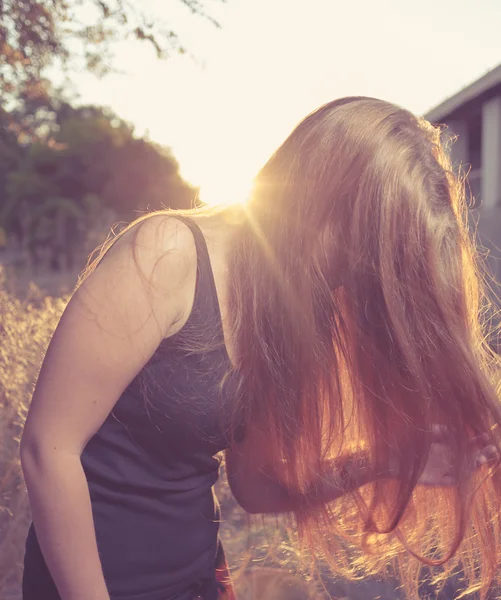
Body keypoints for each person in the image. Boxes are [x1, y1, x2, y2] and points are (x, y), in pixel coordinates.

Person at [21, 97, 501, 600]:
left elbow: (255, 491)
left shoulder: (294, 311)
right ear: (324, 199)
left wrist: (384, 460)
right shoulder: (168, 253)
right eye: (372, 259)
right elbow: (48, 450)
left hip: (198, 582)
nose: (361, 286)